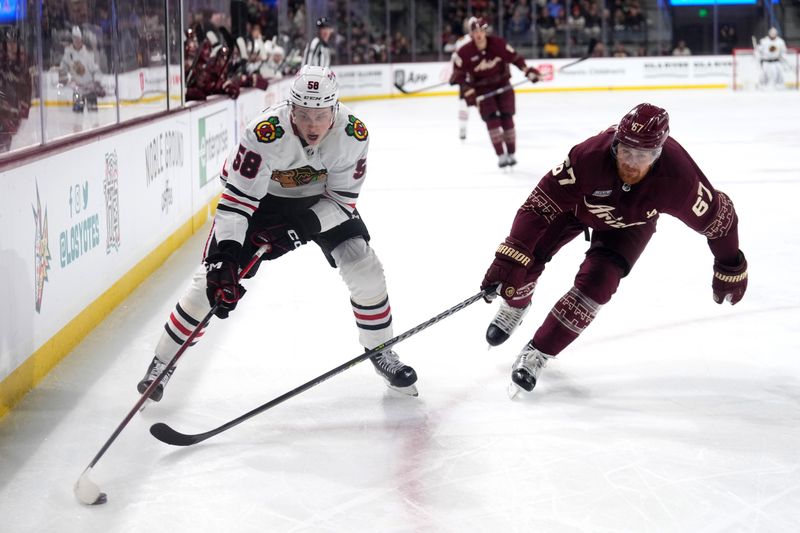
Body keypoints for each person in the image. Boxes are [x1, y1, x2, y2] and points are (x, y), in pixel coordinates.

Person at [137, 65, 418, 401]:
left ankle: (381, 350)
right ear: (291, 110)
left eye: (321, 115)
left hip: (321, 201)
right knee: (209, 285)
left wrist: (299, 229)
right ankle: (163, 362)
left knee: (365, 267)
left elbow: (342, 201)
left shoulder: (353, 135)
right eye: (304, 115)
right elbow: (237, 203)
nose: (313, 125)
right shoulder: (265, 133)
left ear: (335, 109)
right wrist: (225, 256)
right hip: (261, 202)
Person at [480, 103, 748, 395]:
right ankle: (515, 306)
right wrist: (510, 256)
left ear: (658, 154)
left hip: (631, 225)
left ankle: (538, 352)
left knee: (599, 284)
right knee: (525, 262)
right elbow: (537, 207)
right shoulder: (588, 156)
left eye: (643, 155)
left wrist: (729, 264)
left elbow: (720, 220)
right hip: (576, 208)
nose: (632, 162)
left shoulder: (679, 178)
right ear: (615, 145)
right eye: (626, 151)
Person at [450, 17, 541, 168]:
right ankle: (501, 155)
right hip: (482, 90)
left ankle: (511, 153)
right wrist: (468, 92)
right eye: (475, 32)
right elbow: (459, 75)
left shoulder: (498, 44)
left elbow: (515, 58)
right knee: (492, 121)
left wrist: (528, 71)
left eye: (481, 31)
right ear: (471, 34)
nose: (478, 34)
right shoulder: (464, 52)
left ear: (485, 31)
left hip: (503, 85)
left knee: (507, 119)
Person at [59, 26, 104, 112]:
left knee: (93, 113)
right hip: (77, 89)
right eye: (74, 38)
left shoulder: (88, 52)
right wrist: (63, 76)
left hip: (90, 88)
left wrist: (97, 81)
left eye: (78, 38)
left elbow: (95, 69)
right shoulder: (68, 52)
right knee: (77, 114)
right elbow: (64, 66)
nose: (76, 41)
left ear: (81, 39)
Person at [450, 18, 472, 140]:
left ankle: (496, 127)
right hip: (466, 80)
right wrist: (456, 75)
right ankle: (462, 128)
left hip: (479, 78)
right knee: (463, 104)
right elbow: (456, 59)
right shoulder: (461, 42)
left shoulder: (479, 39)